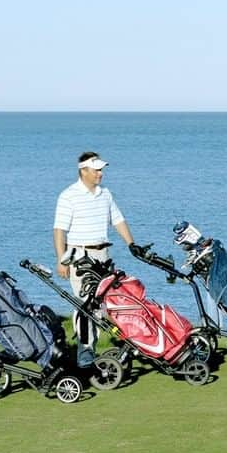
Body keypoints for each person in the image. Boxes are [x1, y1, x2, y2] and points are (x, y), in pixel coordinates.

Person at [53, 151, 138, 367]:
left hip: (103, 255)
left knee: (107, 303)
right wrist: (62, 260)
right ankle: (86, 352)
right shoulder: (68, 195)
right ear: (84, 171)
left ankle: (126, 340)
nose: (101, 173)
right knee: (85, 305)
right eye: (97, 169)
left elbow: (118, 220)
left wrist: (131, 244)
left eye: (101, 169)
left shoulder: (105, 194)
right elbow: (59, 231)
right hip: (79, 256)